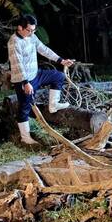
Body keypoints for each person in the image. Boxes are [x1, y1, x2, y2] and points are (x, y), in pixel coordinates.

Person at [8, 14, 74, 145]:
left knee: (58, 76)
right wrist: (25, 83)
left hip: (36, 74)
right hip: (23, 80)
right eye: (29, 30)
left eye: (34, 30)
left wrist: (61, 61)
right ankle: (25, 138)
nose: (32, 33)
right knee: (25, 107)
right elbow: (17, 64)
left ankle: (53, 105)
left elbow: (43, 49)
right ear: (20, 27)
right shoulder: (14, 42)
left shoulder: (31, 36)